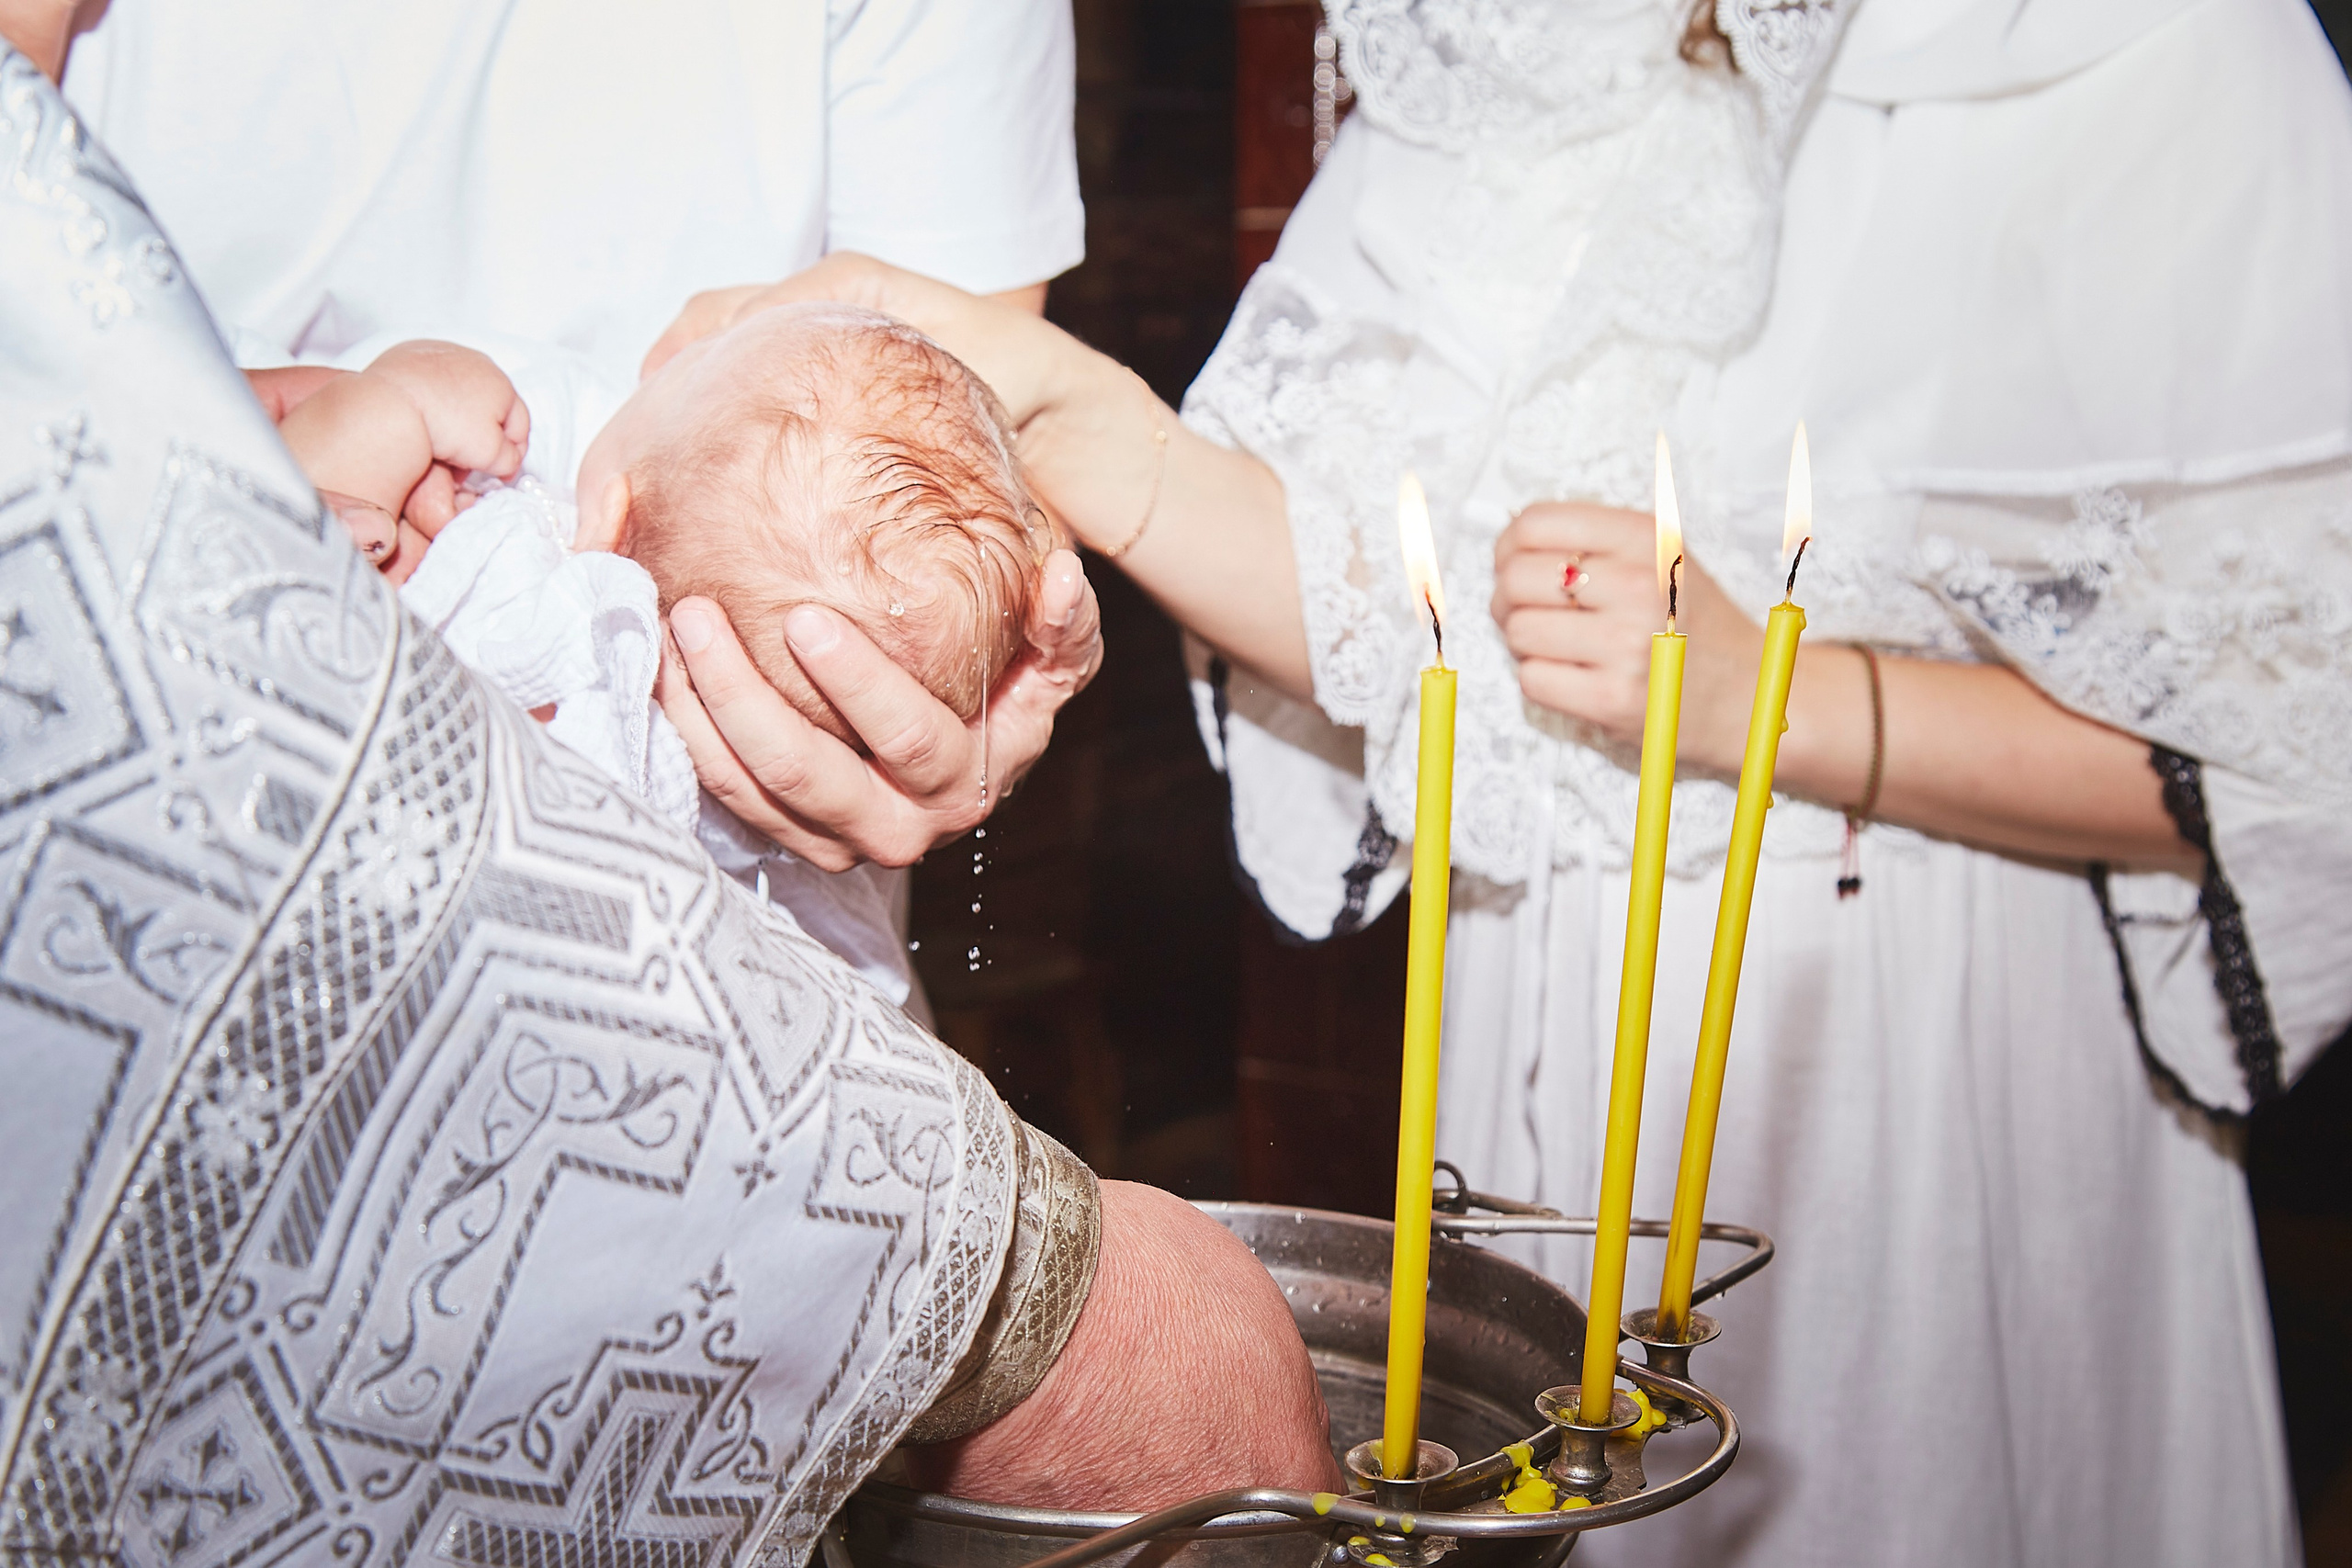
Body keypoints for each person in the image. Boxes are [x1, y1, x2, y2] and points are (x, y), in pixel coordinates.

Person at [653, 1, 2352, 1562]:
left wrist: (1794, 697)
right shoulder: (1520, 45)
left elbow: (2297, 741)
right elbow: (1400, 621)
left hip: (1913, 1050)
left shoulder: (2150, 46)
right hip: (1518, 1010)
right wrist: (1080, 417)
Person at [0, 34, 1339, 1568]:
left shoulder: (517, 571)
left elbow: (939, 452)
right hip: (172, 818)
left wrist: (963, 697)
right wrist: (246, 441)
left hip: (706, 1029)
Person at [61, 0, 1108, 994]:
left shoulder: (498, 564)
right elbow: (959, 482)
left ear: (599, 527)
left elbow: (947, 474)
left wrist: (346, 429)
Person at [268, 308, 1049, 1004]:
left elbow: (294, 622)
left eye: (675, 372)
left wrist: (374, 421)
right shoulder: (759, 863)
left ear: (608, 528)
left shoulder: (518, 610)